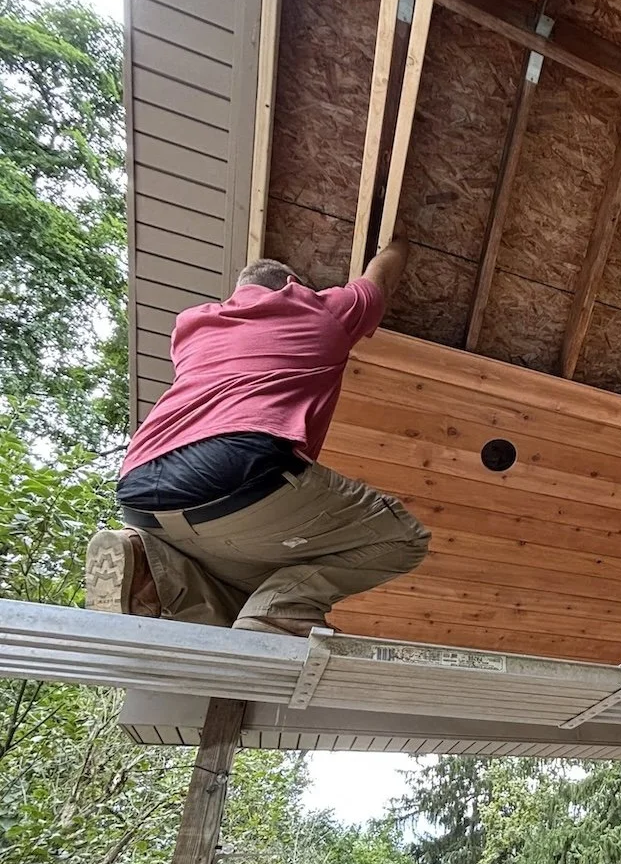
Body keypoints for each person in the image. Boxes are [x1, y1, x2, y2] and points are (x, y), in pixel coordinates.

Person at [84, 232, 431, 637]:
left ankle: (149, 566)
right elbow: (381, 281)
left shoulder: (192, 329)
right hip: (236, 464)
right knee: (403, 539)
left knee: (244, 596)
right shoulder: (319, 310)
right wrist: (401, 244)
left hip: (139, 491)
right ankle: (284, 609)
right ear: (291, 287)